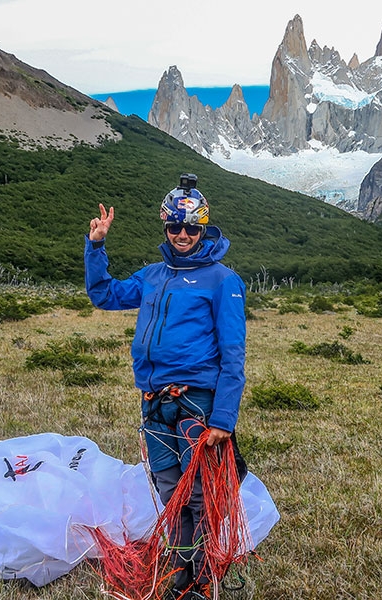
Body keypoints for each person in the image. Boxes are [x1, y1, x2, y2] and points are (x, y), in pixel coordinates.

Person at [84, 174, 247, 600]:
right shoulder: (153, 275)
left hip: (197, 403)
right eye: (174, 227)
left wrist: (224, 418)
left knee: (198, 495)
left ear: (204, 228)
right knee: (169, 490)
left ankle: (200, 580)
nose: (182, 235)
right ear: (165, 227)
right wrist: (96, 247)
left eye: (191, 227)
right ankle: (182, 571)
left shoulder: (222, 280)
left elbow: (233, 355)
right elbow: (104, 295)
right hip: (154, 404)